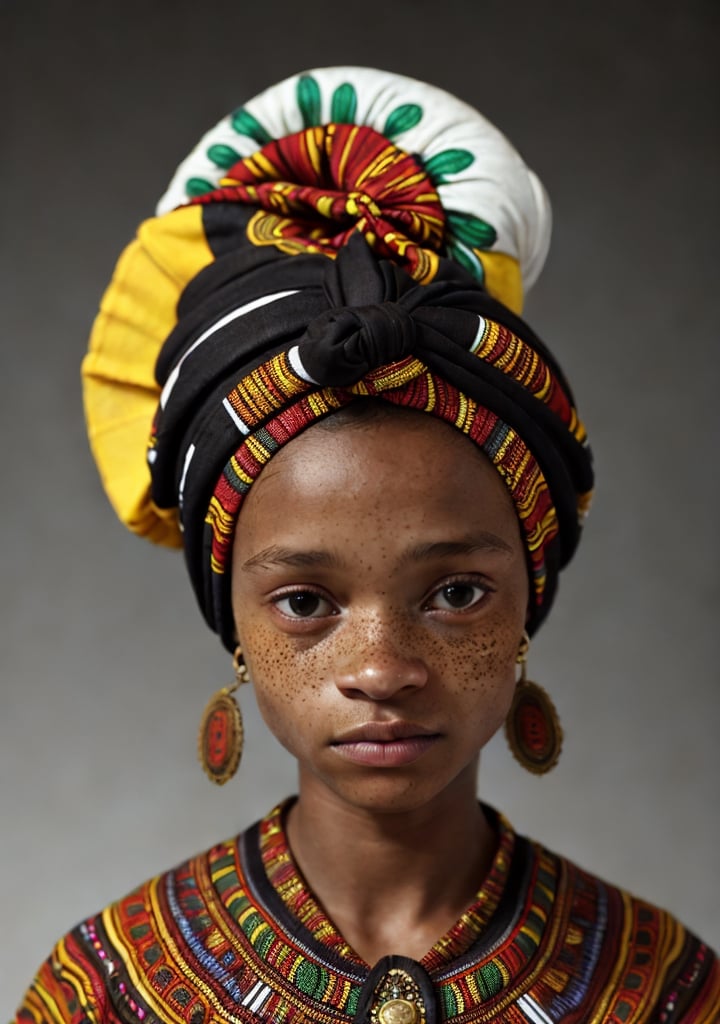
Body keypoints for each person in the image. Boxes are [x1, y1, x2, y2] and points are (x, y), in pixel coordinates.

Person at [15, 67, 719, 1023]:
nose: (383, 669)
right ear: (233, 621)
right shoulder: (102, 995)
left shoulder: (666, 992)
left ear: (532, 593)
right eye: (306, 601)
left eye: (457, 592)